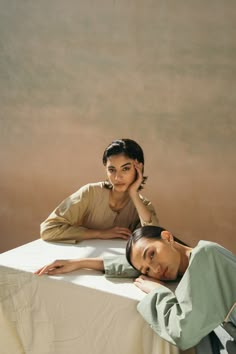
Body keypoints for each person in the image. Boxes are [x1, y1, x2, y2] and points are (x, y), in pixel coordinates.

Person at [35, 225, 236, 350]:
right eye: (147, 271)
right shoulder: (191, 263)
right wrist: (80, 263)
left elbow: (183, 332)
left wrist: (158, 292)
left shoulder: (206, 255)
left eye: (152, 254)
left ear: (167, 237)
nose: (155, 270)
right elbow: (137, 264)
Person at [40, 138, 159, 243]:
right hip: (81, 261)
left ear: (139, 167)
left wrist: (133, 193)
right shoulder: (90, 193)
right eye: (112, 170)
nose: (117, 177)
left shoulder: (143, 205)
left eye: (125, 169)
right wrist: (99, 233)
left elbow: (153, 239)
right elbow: (48, 229)